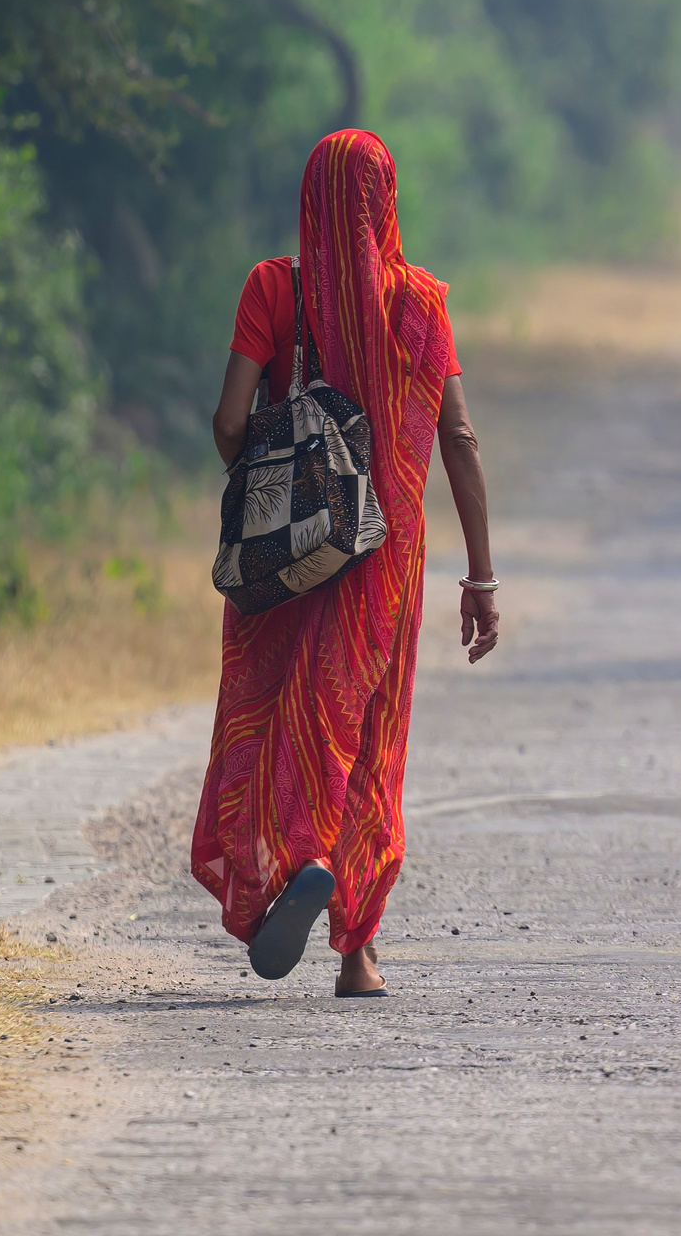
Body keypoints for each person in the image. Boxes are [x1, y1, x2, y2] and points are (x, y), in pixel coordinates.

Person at [193, 129, 501, 996]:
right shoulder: (422, 305)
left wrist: (271, 493)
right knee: (365, 734)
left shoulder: (273, 287)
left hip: (283, 557)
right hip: (384, 561)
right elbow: (461, 441)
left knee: (269, 714)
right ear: (385, 201)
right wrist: (480, 580)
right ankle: (356, 950)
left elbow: (228, 419)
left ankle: (285, 868)